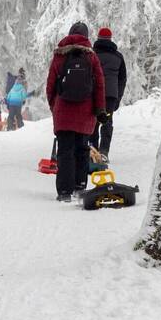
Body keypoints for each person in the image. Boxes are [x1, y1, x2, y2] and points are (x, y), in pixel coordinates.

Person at [46, 22, 106, 202]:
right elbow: (100, 85)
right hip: (85, 112)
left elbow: (50, 85)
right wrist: (99, 109)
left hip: (63, 111)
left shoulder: (59, 56)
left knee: (64, 151)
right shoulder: (91, 57)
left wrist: (54, 105)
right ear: (86, 36)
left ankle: (64, 192)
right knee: (81, 149)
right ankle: (80, 187)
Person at [90, 27, 126, 156]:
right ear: (110, 39)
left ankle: (92, 152)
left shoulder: (91, 54)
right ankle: (104, 152)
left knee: (93, 123)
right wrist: (117, 97)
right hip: (110, 97)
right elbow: (122, 80)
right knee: (107, 123)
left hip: (94, 95)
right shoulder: (118, 57)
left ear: (98, 38)